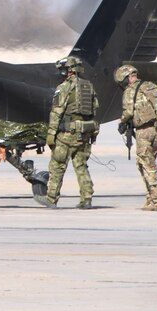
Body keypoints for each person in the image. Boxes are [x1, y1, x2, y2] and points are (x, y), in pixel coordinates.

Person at [115, 64, 157, 211]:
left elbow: (128, 112)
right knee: (146, 163)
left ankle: (156, 200)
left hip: (143, 132)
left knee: (147, 165)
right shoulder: (151, 87)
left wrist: (121, 122)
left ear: (126, 78)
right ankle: (150, 199)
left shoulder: (130, 91)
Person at [43, 54, 97, 209]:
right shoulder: (89, 86)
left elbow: (56, 112)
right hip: (84, 134)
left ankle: (51, 199)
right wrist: (92, 133)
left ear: (69, 70)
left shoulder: (64, 88)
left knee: (57, 166)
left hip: (66, 135)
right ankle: (87, 198)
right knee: (81, 166)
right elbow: (94, 110)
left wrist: (51, 135)